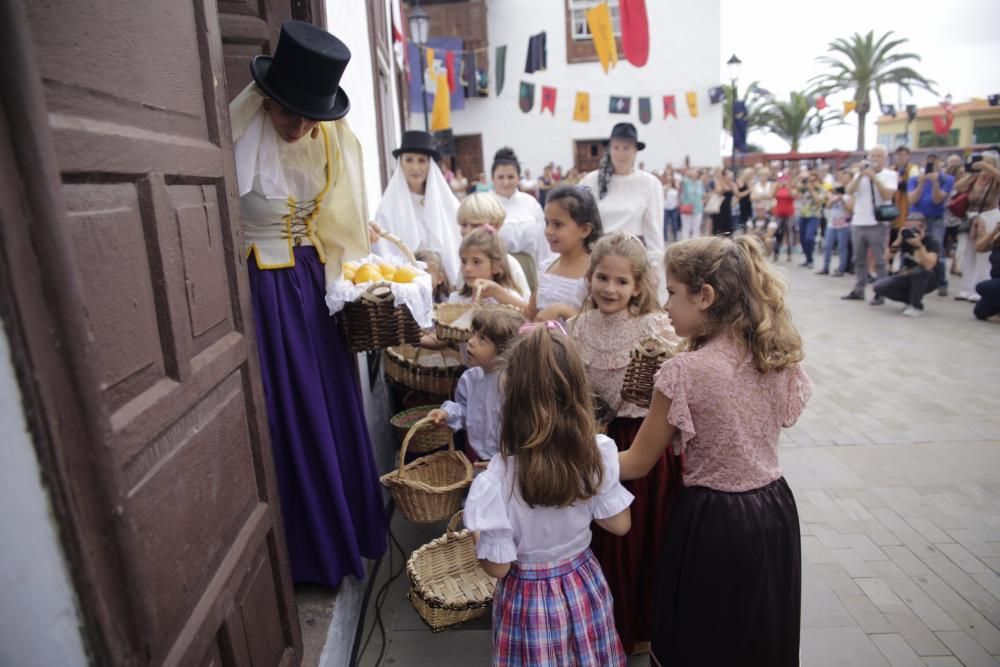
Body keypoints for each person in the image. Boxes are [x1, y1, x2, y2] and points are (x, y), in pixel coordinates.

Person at [229, 21, 385, 588]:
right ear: (267, 100)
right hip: (267, 291)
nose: (299, 125)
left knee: (334, 400)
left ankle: (349, 530)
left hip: (314, 285)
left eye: (310, 115)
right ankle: (312, 550)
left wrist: (352, 272)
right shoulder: (243, 137)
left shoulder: (326, 141)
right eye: (289, 111)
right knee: (293, 408)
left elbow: (337, 217)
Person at [619, 235, 812, 666]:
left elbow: (635, 462)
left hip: (714, 522)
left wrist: (571, 460)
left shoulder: (683, 372)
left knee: (702, 637)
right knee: (759, 635)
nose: (665, 305)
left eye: (671, 292)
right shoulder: (775, 354)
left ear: (705, 296)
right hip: (775, 512)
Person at [464, 323, 633, 667]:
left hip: (528, 601)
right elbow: (619, 525)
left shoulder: (496, 479)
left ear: (509, 394)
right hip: (583, 585)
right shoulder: (595, 455)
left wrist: (477, 538)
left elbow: (497, 567)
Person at [569, 233, 680, 655]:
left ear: (638, 286)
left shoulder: (654, 327)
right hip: (598, 440)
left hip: (644, 443)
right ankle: (607, 627)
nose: (609, 289)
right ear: (590, 276)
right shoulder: (579, 327)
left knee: (644, 538)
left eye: (621, 282)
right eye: (602, 278)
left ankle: (646, 628)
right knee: (606, 539)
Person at [580, 123, 666, 302]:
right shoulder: (591, 180)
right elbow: (579, 220)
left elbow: (654, 229)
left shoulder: (649, 183)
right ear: (609, 149)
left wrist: (654, 266)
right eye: (616, 147)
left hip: (632, 258)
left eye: (626, 148)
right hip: (598, 256)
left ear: (635, 151)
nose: (620, 153)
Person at [428, 309, 526, 462]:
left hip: (506, 461)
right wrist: (447, 413)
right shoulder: (470, 379)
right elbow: (464, 409)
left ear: (504, 350)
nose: (471, 341)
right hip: (474, 457)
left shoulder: (513, 384)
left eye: (482, 339)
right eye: (473, 334)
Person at [373, 130, 462, 284]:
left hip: (445, 286)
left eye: (421, 160)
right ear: (401, 163)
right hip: (406, 287)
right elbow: (384, 254)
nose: (415, 167)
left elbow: (457, 246)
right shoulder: (387, 210)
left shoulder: (449, 204)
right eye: (409, 160)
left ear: (430, 164)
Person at [528, 184, 602, 322]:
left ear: (585, 230)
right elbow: (530, 314)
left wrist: (562, 311)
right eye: (547, 222)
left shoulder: (595, 273)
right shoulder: (547, 267)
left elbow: (596, 326)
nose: (548, 231)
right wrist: (499, 293)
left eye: (557, 224)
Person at [842, 146, 898, 303]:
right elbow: (849, 191)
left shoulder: (890, 175)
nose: (875, 159)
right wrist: (860, 175)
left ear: (885, 158)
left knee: (880, 260)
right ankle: (859, 289)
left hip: (877, 223)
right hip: (859, 221)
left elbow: (887, 194)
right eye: (873, 156)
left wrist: (874, 178)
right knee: (859, 259)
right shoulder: (861, 174)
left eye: (879, 156)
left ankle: (881, 291)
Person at [491, 147, 552, 292]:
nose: (506, 182)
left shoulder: (531, 203)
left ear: (519, 178)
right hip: (498, 271)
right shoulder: (485, 204)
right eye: (500, 177)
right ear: (492, 178)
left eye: (511, 177)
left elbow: (544, 244)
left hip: (528, 269)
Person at [456, 193, 532, 298]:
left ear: (496, 226)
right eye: (464, 225)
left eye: (475, 225)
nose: (467, 231)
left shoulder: (510, 264)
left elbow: (524, 305)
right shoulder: (466, 262)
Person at [872, 213, 941, 316]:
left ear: (924, 227)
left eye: (916, 228)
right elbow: (885, 258)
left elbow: (929, 265)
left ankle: (915, 306)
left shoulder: (931, 242)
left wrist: (919, 245)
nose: (913, 231)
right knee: (879, 286)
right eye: (909, 228)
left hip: (929, 279)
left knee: (918, 272)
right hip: (907, 275)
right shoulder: (905, 240)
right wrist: (898, 240)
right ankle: (912, 300)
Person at [954, 152, 1000, 302]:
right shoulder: (976, 178)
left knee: (984, 255)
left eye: (987, 163)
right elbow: (958, 187)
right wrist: (972, 174)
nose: (983, 166)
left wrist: (987, 167)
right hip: (972, 218)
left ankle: (980, 289)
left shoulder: (995, 180)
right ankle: (967, 288)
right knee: (968, 254)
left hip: (989, 217)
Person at [907, 152, 954, 296]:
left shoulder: (947, 179)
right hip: (916, 217)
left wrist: (934, 182)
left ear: (940, 163)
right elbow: (912, 200)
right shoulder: (914, 179)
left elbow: (937, 199)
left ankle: (941, 282)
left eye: (934, 161)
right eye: (928, 161)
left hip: (936, 218)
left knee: (937, 249)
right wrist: (922, 183)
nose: (931, 164)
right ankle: (909, 279)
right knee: (910, 248)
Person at [449, 227, 527, 310]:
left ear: (495, 267)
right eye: (464, 261)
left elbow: (528, 316)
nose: (467, 268)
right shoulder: (456, 300)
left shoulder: (509, 298)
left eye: (476, 262)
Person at [818, 171, 853, 276]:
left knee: (842, 248)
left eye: (847, 177)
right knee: (827, 246)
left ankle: (841, 269)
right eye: (843, 177)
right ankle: (825, 267)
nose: (844, 180)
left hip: (844, 225)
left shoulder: (851, 194)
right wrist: (834, 198)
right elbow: (828, 206)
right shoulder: (834, 194)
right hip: (832, 224)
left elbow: (850, 210)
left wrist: (842, 199)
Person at [796, 170, 824, 268]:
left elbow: (818, 200)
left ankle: (811, 260)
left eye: (813, 179)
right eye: (809, 179)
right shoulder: (804, 189)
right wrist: (799, 180)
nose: (810, 181)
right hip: (803, 215)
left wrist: (811, 189)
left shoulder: (820, 189)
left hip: (814, 216)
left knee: (809, 238)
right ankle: (807, 259)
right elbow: (794, 194)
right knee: (803, 239)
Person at [972, 222, 1000, 320]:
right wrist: (994, 232)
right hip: (995, 281)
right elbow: (979, 248)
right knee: (980, 312)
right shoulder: (997, 237)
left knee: (982, 287)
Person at [772, 174, 796, 261]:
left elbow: (793, 196)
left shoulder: (791, 189)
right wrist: (777, 185)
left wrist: (788, 186)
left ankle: (789, 254)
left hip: (789, 214)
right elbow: (772, 195)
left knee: (789, 233)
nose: (783, 182)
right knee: (778, 233)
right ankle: (776, 252)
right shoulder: (778, 189)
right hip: (779, 214)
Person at [678, 167, 704, 240]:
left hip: (698, 208)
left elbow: (702, 194)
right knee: (686, 228)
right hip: (687, 207)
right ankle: (685, 245)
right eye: (693, 171)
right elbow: (680, 188)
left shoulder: (700, 183)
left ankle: (695, 246)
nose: (694, 173)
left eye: (695, 171)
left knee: (696, 228)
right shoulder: (685, 181)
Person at [663, 173, 681, 243]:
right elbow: (663, 197)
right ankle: (665, 238)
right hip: (666, 208)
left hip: (674, 208)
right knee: (665, 224)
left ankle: (675, 237)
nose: (669, 181)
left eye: (670, 180)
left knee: (674, 223)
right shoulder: (664, 187)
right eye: (668, 180)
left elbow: (678, 197)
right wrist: (666, 189)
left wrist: (678, 203)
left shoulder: (675, 188)